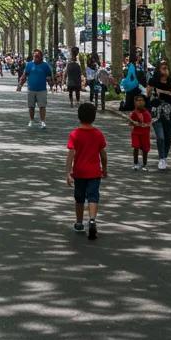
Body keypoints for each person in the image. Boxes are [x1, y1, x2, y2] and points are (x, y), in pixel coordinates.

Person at [66, 100, 108, 240]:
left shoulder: (74, 134)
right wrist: (105, 168)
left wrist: (68, 173)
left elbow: (71, 154)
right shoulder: (98, 134)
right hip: (94, 172)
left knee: (79, 198)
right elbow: (103, 154)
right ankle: (92, 219)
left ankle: (79, 222)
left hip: (79, 172)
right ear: (94, 117)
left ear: (79, 116)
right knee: (93, 196)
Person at [147, 59, 171, 170]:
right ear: (158, 69)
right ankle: (161, 159)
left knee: (168, 138)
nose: (165, 69)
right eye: (163, 67)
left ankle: (164, 157)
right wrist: (152, 91)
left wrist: (168, 92)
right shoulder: (153, 80)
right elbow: (148, 94)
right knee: (160, 137)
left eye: (166, 67)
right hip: (157, 112)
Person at [17, 47, 54, 129]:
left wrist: (51, 85)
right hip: (31, 89)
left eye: (37, 56)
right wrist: (20, 85)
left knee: (42, 106)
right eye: (34, 56)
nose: (35, 57)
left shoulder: (45, 66)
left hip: (42, 90)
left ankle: (43, 122)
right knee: (31, 106)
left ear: (41, 56)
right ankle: (31, 120)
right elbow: (24, 76)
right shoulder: (29, 64)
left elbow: (49, 77)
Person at [129, 93, 152, 171]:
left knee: (145, 149)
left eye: (141, 100)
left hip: (145, 134)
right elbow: (130, 123)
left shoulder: (147, 113)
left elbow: (149, 124)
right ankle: (135, 163)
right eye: (138, 100)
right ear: (135, 102)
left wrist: (144, 125)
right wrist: (133, 122)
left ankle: (144, 164)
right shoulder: (134, 113)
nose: (139, 102)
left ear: (144, 102)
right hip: (136, 133)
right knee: (136, 147)